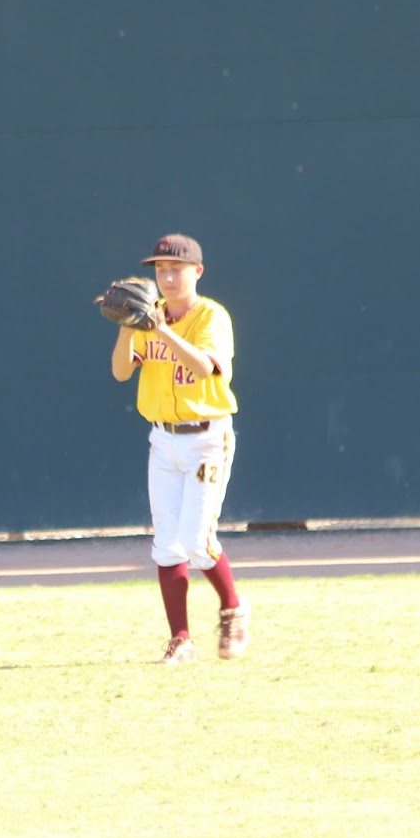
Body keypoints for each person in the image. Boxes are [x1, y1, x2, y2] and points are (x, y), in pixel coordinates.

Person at [109, 235, 250, 665]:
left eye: (176, 269)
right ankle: (181, 640)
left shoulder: (211, 316)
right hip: (162, 440)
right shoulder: (146, 315)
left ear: (197, 272)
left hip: (207, 438)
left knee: (196, 542)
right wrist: (126, 326)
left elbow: (203, 367)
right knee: (167, 545)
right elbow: (120, 373)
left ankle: (232, 608)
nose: (167, 278)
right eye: (160, 269)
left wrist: (160, 329)